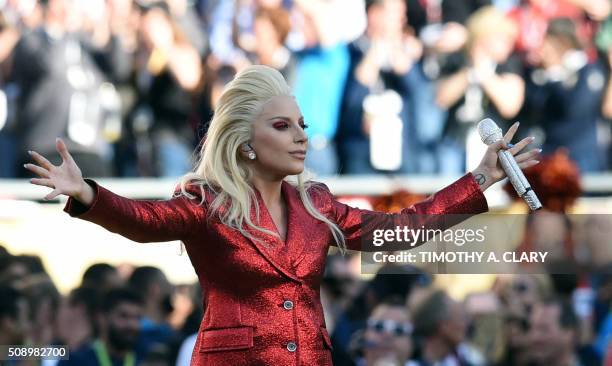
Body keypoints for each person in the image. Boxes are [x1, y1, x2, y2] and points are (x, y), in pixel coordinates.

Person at [25, 65, 539, 365]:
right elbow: (147, 220)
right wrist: (88, 194)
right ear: (246, 142)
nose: (301, 136)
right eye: (282, 125)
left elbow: (397, 230)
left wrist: (479, 180)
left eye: (302, 124)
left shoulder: (316, 205)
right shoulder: (210, 203)